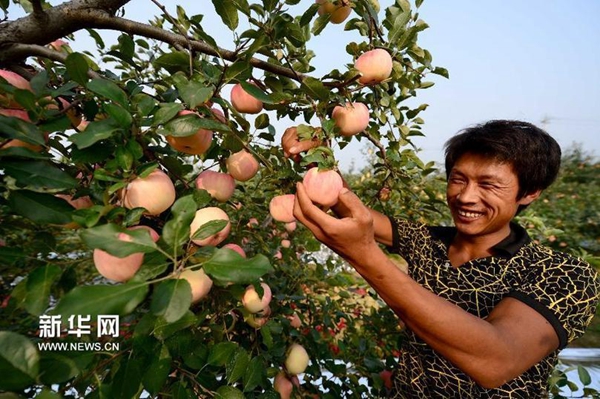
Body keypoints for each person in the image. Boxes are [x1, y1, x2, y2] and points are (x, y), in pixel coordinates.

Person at [285, 120, 600, 398]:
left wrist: (366, 257)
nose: (465, 197)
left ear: (530, 192)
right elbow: (354, 213)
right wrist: (320, 158)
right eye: (458, 179)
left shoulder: (564, 274)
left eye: (488, 184)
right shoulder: (427, 241)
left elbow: (496, 360)